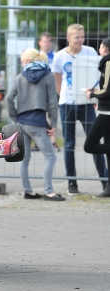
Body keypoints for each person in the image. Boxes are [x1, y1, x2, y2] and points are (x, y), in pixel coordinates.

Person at [52, 23, 107, 195]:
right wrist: (63, 95)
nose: (80, 40)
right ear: (69, 38)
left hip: (87, 103)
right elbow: (57, 78)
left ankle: (105, 182)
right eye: (77, 37)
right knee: (69, 144)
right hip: (68, 103)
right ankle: (72, 183)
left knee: (94, 141)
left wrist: (94, 93)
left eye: (82, 37)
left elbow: (100, 74)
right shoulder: (60, 56)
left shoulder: (90, 52)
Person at [6, 48, 65, 201]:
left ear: (28, 61)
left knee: (25, 159)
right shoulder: (48, 76)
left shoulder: (20, 77)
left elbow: (8, 98)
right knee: (50, 156)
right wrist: (53, 122)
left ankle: (28, 191)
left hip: (22, 121)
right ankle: (49, 191)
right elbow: (52, 102)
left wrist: (14, 117)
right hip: (37, 122)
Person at [84, 37, 110, 197]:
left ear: (105, 48)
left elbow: (107, 91)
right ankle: (109, 188)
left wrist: (92, 93)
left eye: (100, 45)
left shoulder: (108, 63)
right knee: (108, 150)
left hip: (107, 113)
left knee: (89, 145)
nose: (99, 48)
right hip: (106, 111)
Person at [35, 31, 61, 152]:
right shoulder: (36, 57)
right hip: (39, 91)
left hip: (52, 90)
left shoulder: (56, 56)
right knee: (39, 114)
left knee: (52, 115)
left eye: (49, 41)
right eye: (44, 41)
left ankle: (53, 141)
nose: (47, 44)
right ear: (40, 42)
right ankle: (38, 142)